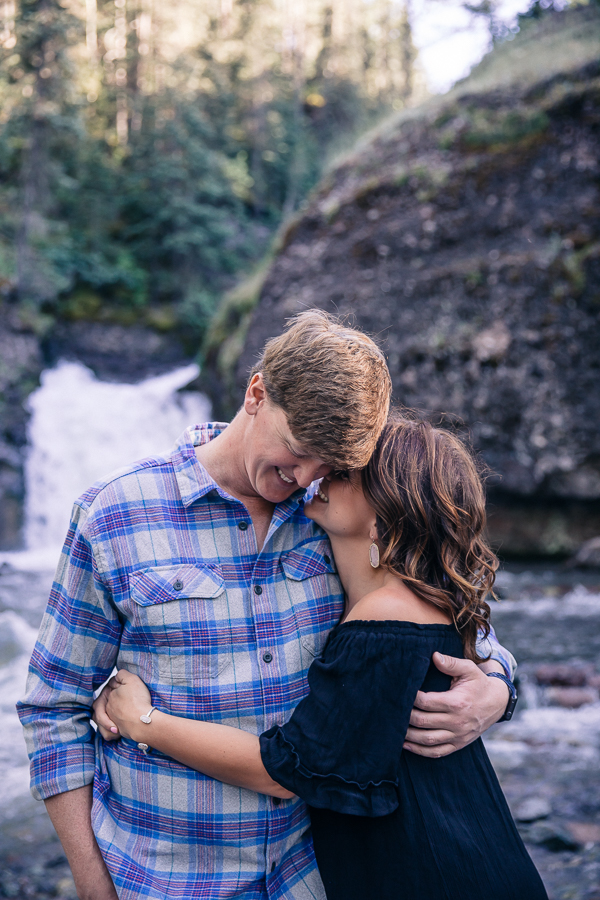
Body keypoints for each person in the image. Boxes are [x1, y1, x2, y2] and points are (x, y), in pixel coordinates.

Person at [18, 311, 515, 900]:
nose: (305, 476)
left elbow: (447, 628)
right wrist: (94, 886)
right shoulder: (114, 515)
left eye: (331, 465)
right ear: (256, 392)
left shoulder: (338, 520)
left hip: (316, 879)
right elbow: (54, 709)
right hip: (167, 882)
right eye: (299, 450)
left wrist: (498, 688)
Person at [97, 416, 546, 900]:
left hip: (437, 872)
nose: (319, 474)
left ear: (382, 521)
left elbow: (285, 770)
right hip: (466, 852)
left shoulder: (384, 627)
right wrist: (497, 681)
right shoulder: (424, 595)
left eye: (345, 473)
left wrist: (143, 721)